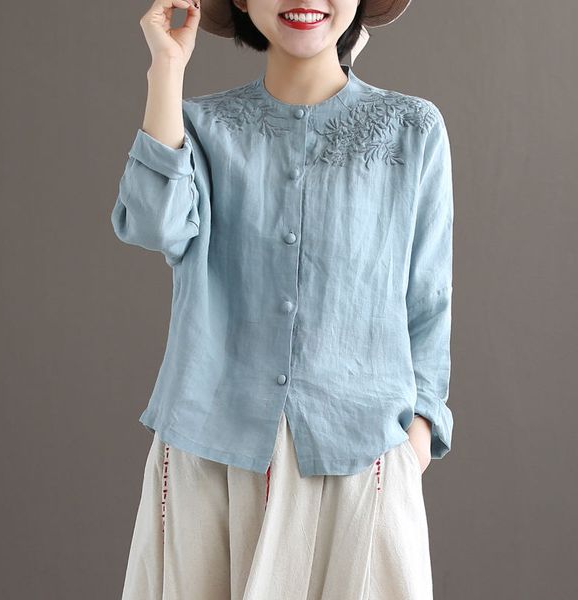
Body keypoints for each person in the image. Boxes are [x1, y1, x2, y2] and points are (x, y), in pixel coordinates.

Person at [111, 0, 455, 598]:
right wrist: (166, 69)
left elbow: (427, 296)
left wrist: (420, 432)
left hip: (362, 451)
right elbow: (151, 224)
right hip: (211, 451)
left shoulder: (413, 128)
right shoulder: (200, 126)